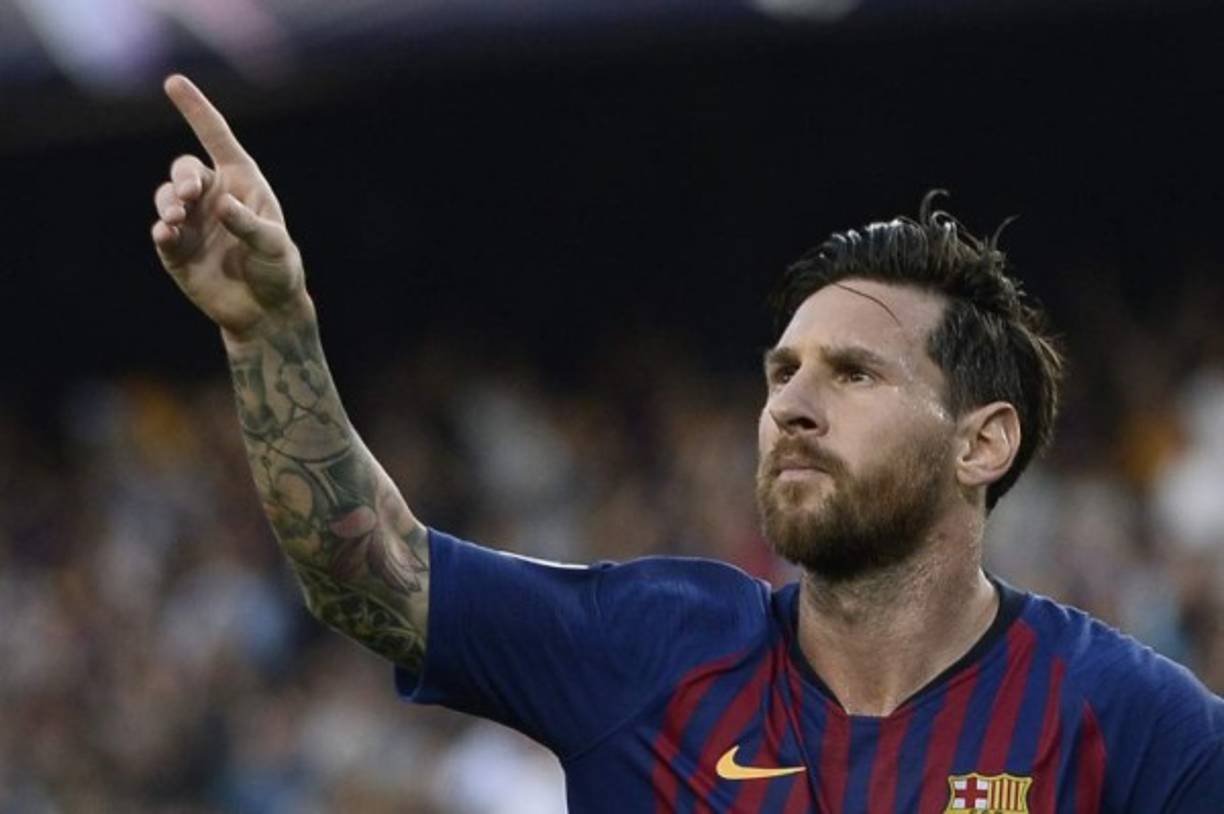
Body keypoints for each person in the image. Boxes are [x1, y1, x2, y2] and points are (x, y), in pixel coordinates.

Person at [150, 73, 1223, 813]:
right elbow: (369, 574)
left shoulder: (1131, 724)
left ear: (981, 444)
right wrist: (268, 332)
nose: (792, 406)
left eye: (854, 374)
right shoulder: (652, 649)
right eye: (782, 373)